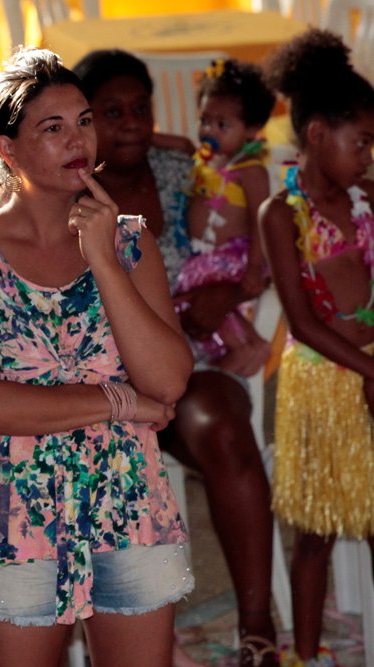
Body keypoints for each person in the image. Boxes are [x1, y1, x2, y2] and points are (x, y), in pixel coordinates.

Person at [0, 46, 193, 667]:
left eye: (84, 120)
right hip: (12, 505)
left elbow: (168, 382)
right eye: (53, 128)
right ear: (6, 150)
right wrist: (121, 403)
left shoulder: (127, 241)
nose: (78, 139)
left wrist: (103, 260)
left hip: (128, 497)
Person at [73, 48, 281, 667]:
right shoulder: (67, 189)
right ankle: (125, 629)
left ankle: (257, 624)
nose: (131, 124)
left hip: (186, 360)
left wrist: (228, 293)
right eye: (111, 112)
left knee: (225, 427)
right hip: (95, 377)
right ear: (84, 120)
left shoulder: (182, 168)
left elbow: (242, 233)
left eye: (141, 109)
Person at [260, 28, 374, 667]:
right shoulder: (281, 214)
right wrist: (369, 369)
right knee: (315, 533)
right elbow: (302, 324)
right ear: (317, 134)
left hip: (371, 367)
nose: (368, 156)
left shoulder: (368, 201)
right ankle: (304, 656)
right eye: (362, 143)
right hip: (320, 383)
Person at [176, 57, 276, 377]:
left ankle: (243, 350)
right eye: (205, 120)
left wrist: (255, 268)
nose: (209, 131)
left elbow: (261, 220)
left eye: (222, 125)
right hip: (201, 255)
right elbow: (178, 145)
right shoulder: (203, 161)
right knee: (195, 303)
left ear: (252, 129)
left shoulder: (250, 171)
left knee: (195, 299)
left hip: (229, 260)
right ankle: (238, 351)